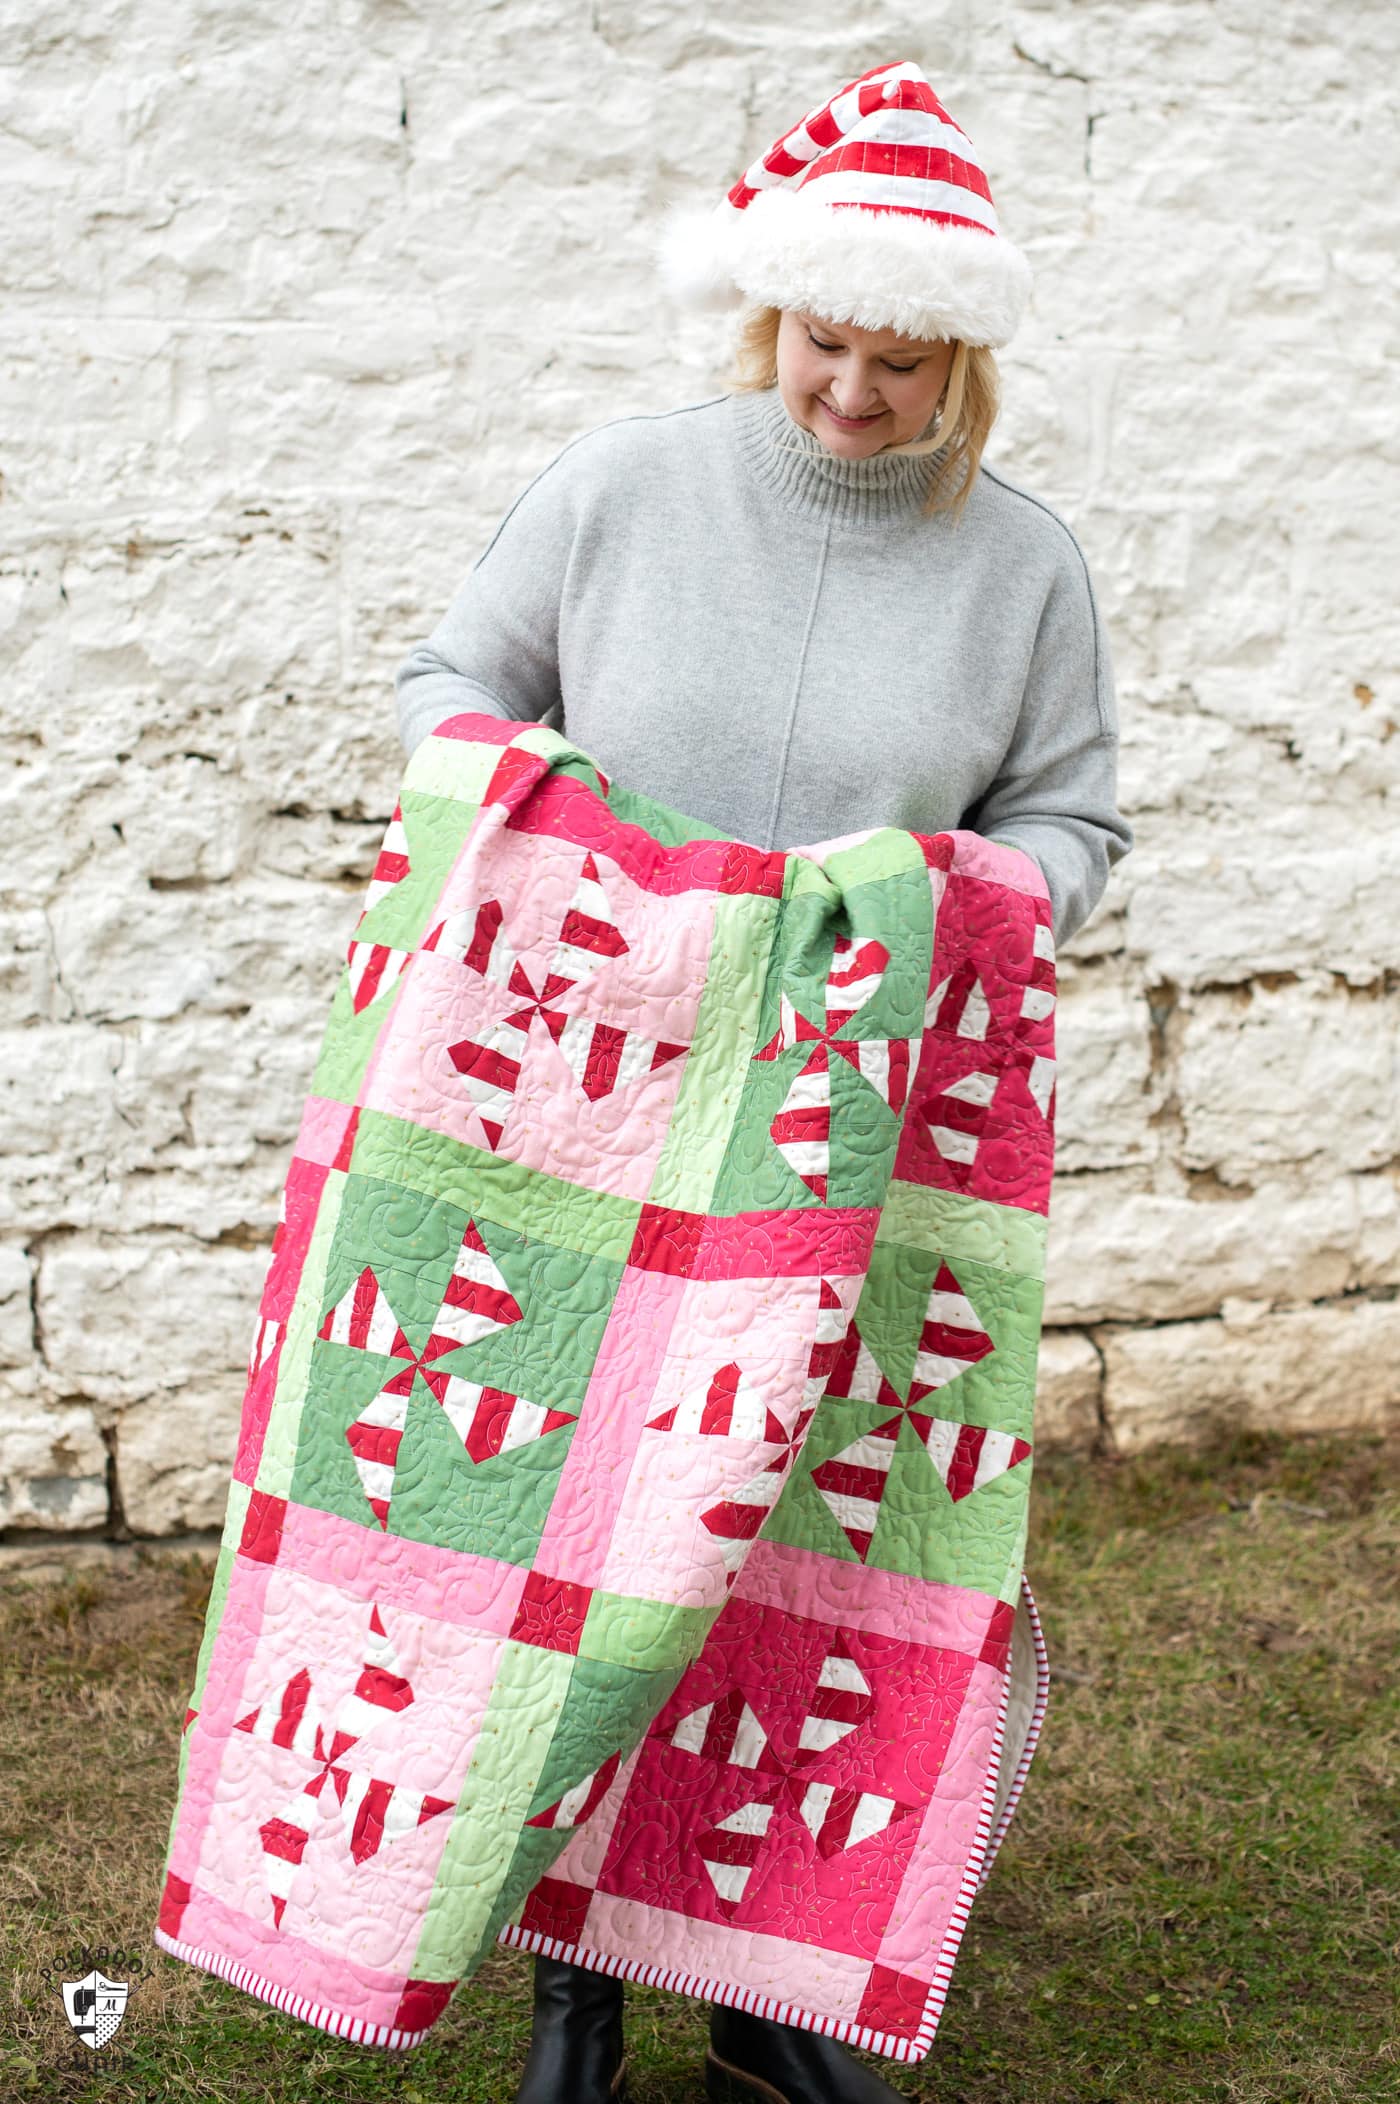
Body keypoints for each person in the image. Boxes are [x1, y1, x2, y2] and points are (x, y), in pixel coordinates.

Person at [393, 56, 1132, 2104]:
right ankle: (572, 1983)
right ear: (771, 316)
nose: (853, 396)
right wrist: (576, 833)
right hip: (601, 1121)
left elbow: (1071, 820)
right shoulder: (621, 487)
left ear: (958, 359)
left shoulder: (1024, 569)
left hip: (859, 1139)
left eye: (903, 363)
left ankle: (772, 1986)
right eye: (825, 345)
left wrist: (955, 884)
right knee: (583, 1549)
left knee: (814, 1553)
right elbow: (448, 687)